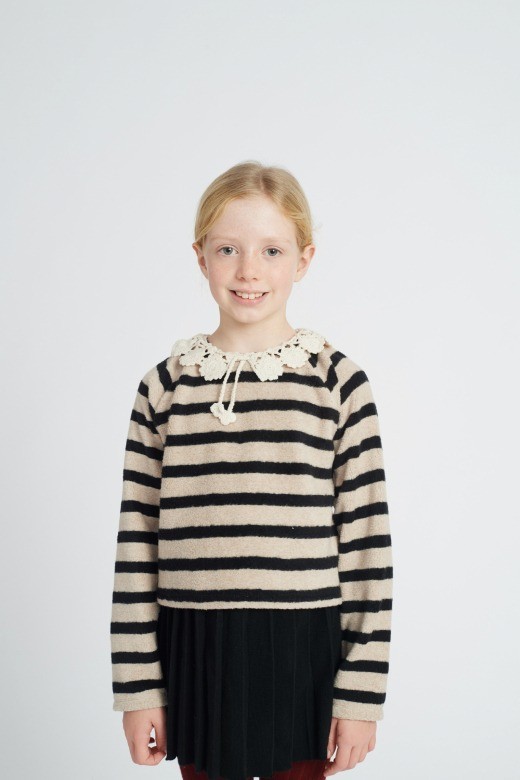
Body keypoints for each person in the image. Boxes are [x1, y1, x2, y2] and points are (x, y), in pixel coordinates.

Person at [110, 161, 393, 780]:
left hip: (304, 652)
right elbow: (136, 546)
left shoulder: (337, 383)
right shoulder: (165, 387)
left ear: (304, 259)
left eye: (271, 250)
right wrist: (137, 688)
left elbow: (367, 549)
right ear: (200, 257)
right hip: (194, 650)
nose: (249, 271)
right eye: (227, 249)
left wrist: (361, 695)